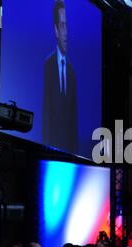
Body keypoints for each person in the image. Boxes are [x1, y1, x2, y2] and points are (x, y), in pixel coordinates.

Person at [43, 0, 77, 153]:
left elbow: (73, 122)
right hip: (48, 149)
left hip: (68, 153)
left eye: (67, 25)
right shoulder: (47, 66)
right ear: (56, 30)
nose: (66, 32)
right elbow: (45, 116)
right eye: (62, 26)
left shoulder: (71, 72)